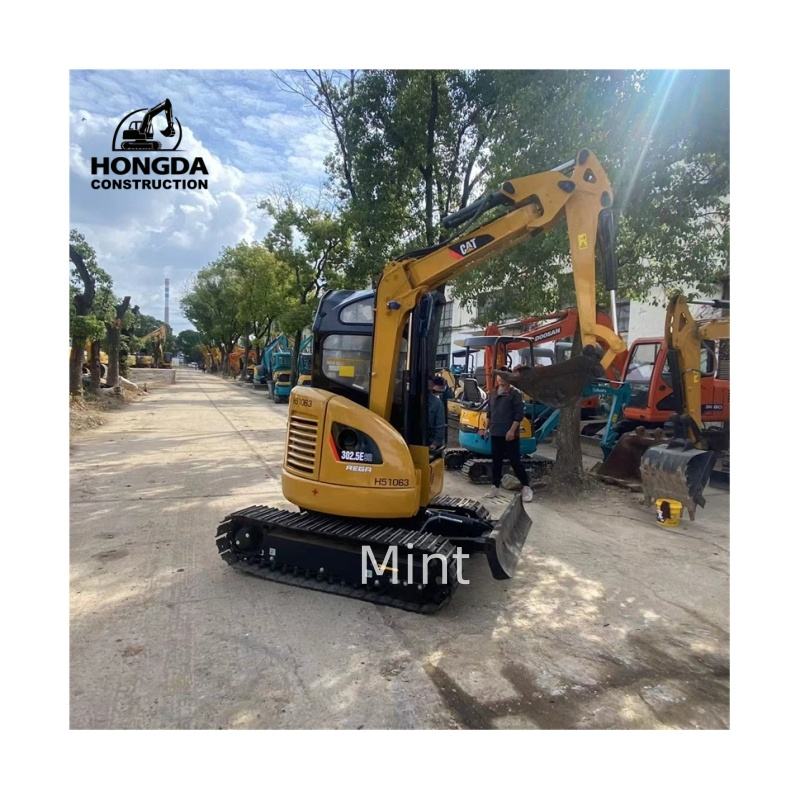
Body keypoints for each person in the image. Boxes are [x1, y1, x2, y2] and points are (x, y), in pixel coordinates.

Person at [479, 373, 533, 502]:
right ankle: (495, 487)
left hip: (510, 433)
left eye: (503, 378)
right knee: (496, 461)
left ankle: (526, 487)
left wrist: (512, 431)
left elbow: (519, 415)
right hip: (495, 432)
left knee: (515, 461)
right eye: (499, 378)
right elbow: (489, 413)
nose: (501, 380)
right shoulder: (493, 392)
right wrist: (486, 428)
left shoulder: (515, 394)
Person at [427, 376, 447, 450]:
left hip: (429, 442)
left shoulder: (437, 403)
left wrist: (435, 443)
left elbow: (440, 425)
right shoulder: (437, 403)